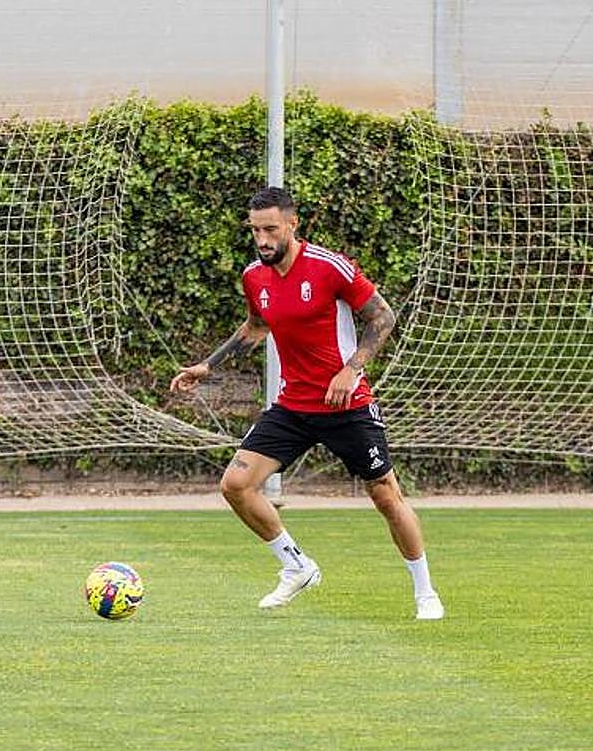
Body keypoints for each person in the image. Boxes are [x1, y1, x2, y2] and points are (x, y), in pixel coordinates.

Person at [170, 187, 444, 620]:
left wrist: (351, 369)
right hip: (293, 407)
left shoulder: (329, 267)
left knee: (386, 496)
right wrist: (208, 365)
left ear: (292, 225)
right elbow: (256, 326)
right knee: (235, 485)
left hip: (347, 406)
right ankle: (297, 566)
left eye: (270, 230)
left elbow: (383, 316)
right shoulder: (254, 276)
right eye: (255, 230)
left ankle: (425, 593)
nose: (262, 240)